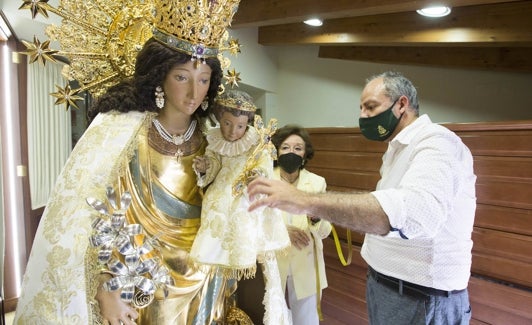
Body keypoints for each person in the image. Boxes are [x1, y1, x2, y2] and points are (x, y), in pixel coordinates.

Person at [14, 1, 245, 324]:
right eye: (182, 77)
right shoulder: (119, 131)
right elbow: (91, 211)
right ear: (159, 76)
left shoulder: (212, 142)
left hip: (205, 278)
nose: (194, 92)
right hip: (140, 279)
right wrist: (106, 283)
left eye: (204, 79)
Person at [247, 71, 476, 325]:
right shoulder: (396, 151)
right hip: (387, 287)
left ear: (401, 104)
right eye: (361, 108)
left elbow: (411, 213)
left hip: (420, 298)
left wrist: (305, 201)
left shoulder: (438, 143)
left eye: (371, 107)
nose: (363, 116)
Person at [190, 89, 291, 325]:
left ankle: (239, 269)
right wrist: (206, 166)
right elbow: (214, 165)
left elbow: (265, 168)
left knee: (241, 220)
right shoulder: (215, 140)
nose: (232, 131)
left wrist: (256, 175)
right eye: (227, 123)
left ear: (248, 124)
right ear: (219, 119)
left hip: (246, 193)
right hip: (221, 192)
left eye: (240, 126)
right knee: (216, 221)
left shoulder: (258, 141)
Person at [270, 125, 332, 325]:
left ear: (305, 154)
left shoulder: (317, 183)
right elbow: (250, 222)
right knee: (272, 316)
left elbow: (325, 232)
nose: (291, 152)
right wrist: (281, 232)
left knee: (306, 320)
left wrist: (316, 218)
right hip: (272, 261)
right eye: (285, 147)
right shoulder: (263, 180)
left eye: (298, 148)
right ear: (276, 151)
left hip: (304, 260)